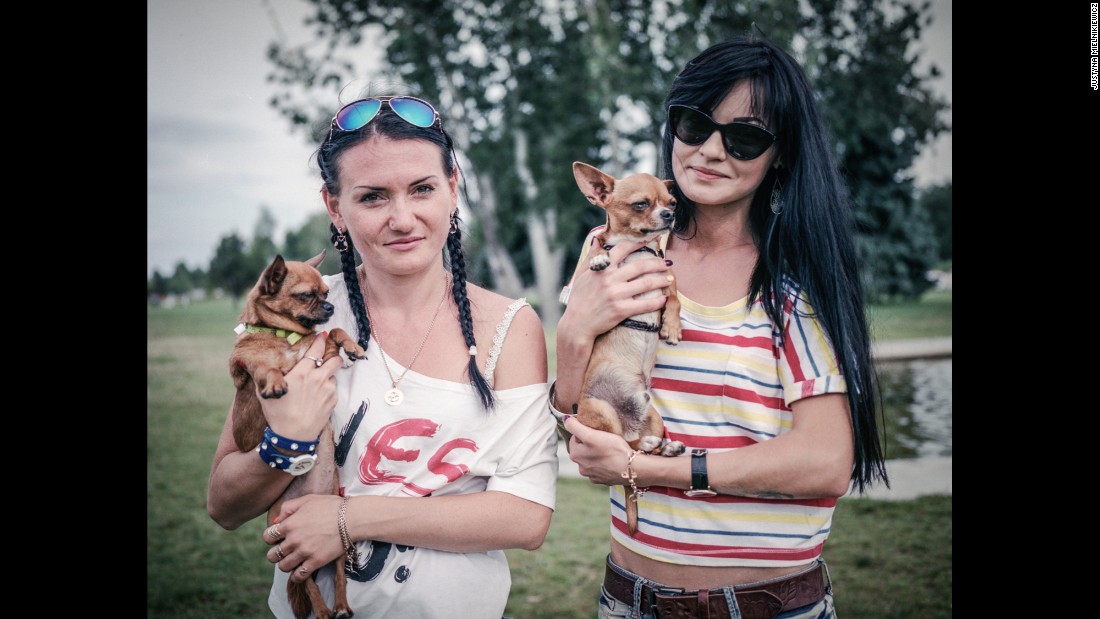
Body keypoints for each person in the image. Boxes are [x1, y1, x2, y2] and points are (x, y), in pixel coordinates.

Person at [550, 34, 889, 618]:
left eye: (745, 136)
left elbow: (826, 462)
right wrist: (572, 336)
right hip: (630, 601)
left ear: (780, 153)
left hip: (767, 607)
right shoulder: (616, 254)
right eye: (693, 124)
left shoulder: (793, 280)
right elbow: (581, 441)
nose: (709, 150)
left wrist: (648, 470)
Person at [207, 92, 559, 618]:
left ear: (453, 190)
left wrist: (348, 518)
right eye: (372, 197)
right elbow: (224, 505)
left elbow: (526, 518)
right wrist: (287, 441)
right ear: (335, 207)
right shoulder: (298, 317)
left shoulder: (510, 326)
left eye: (422, 189)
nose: (402, 218)